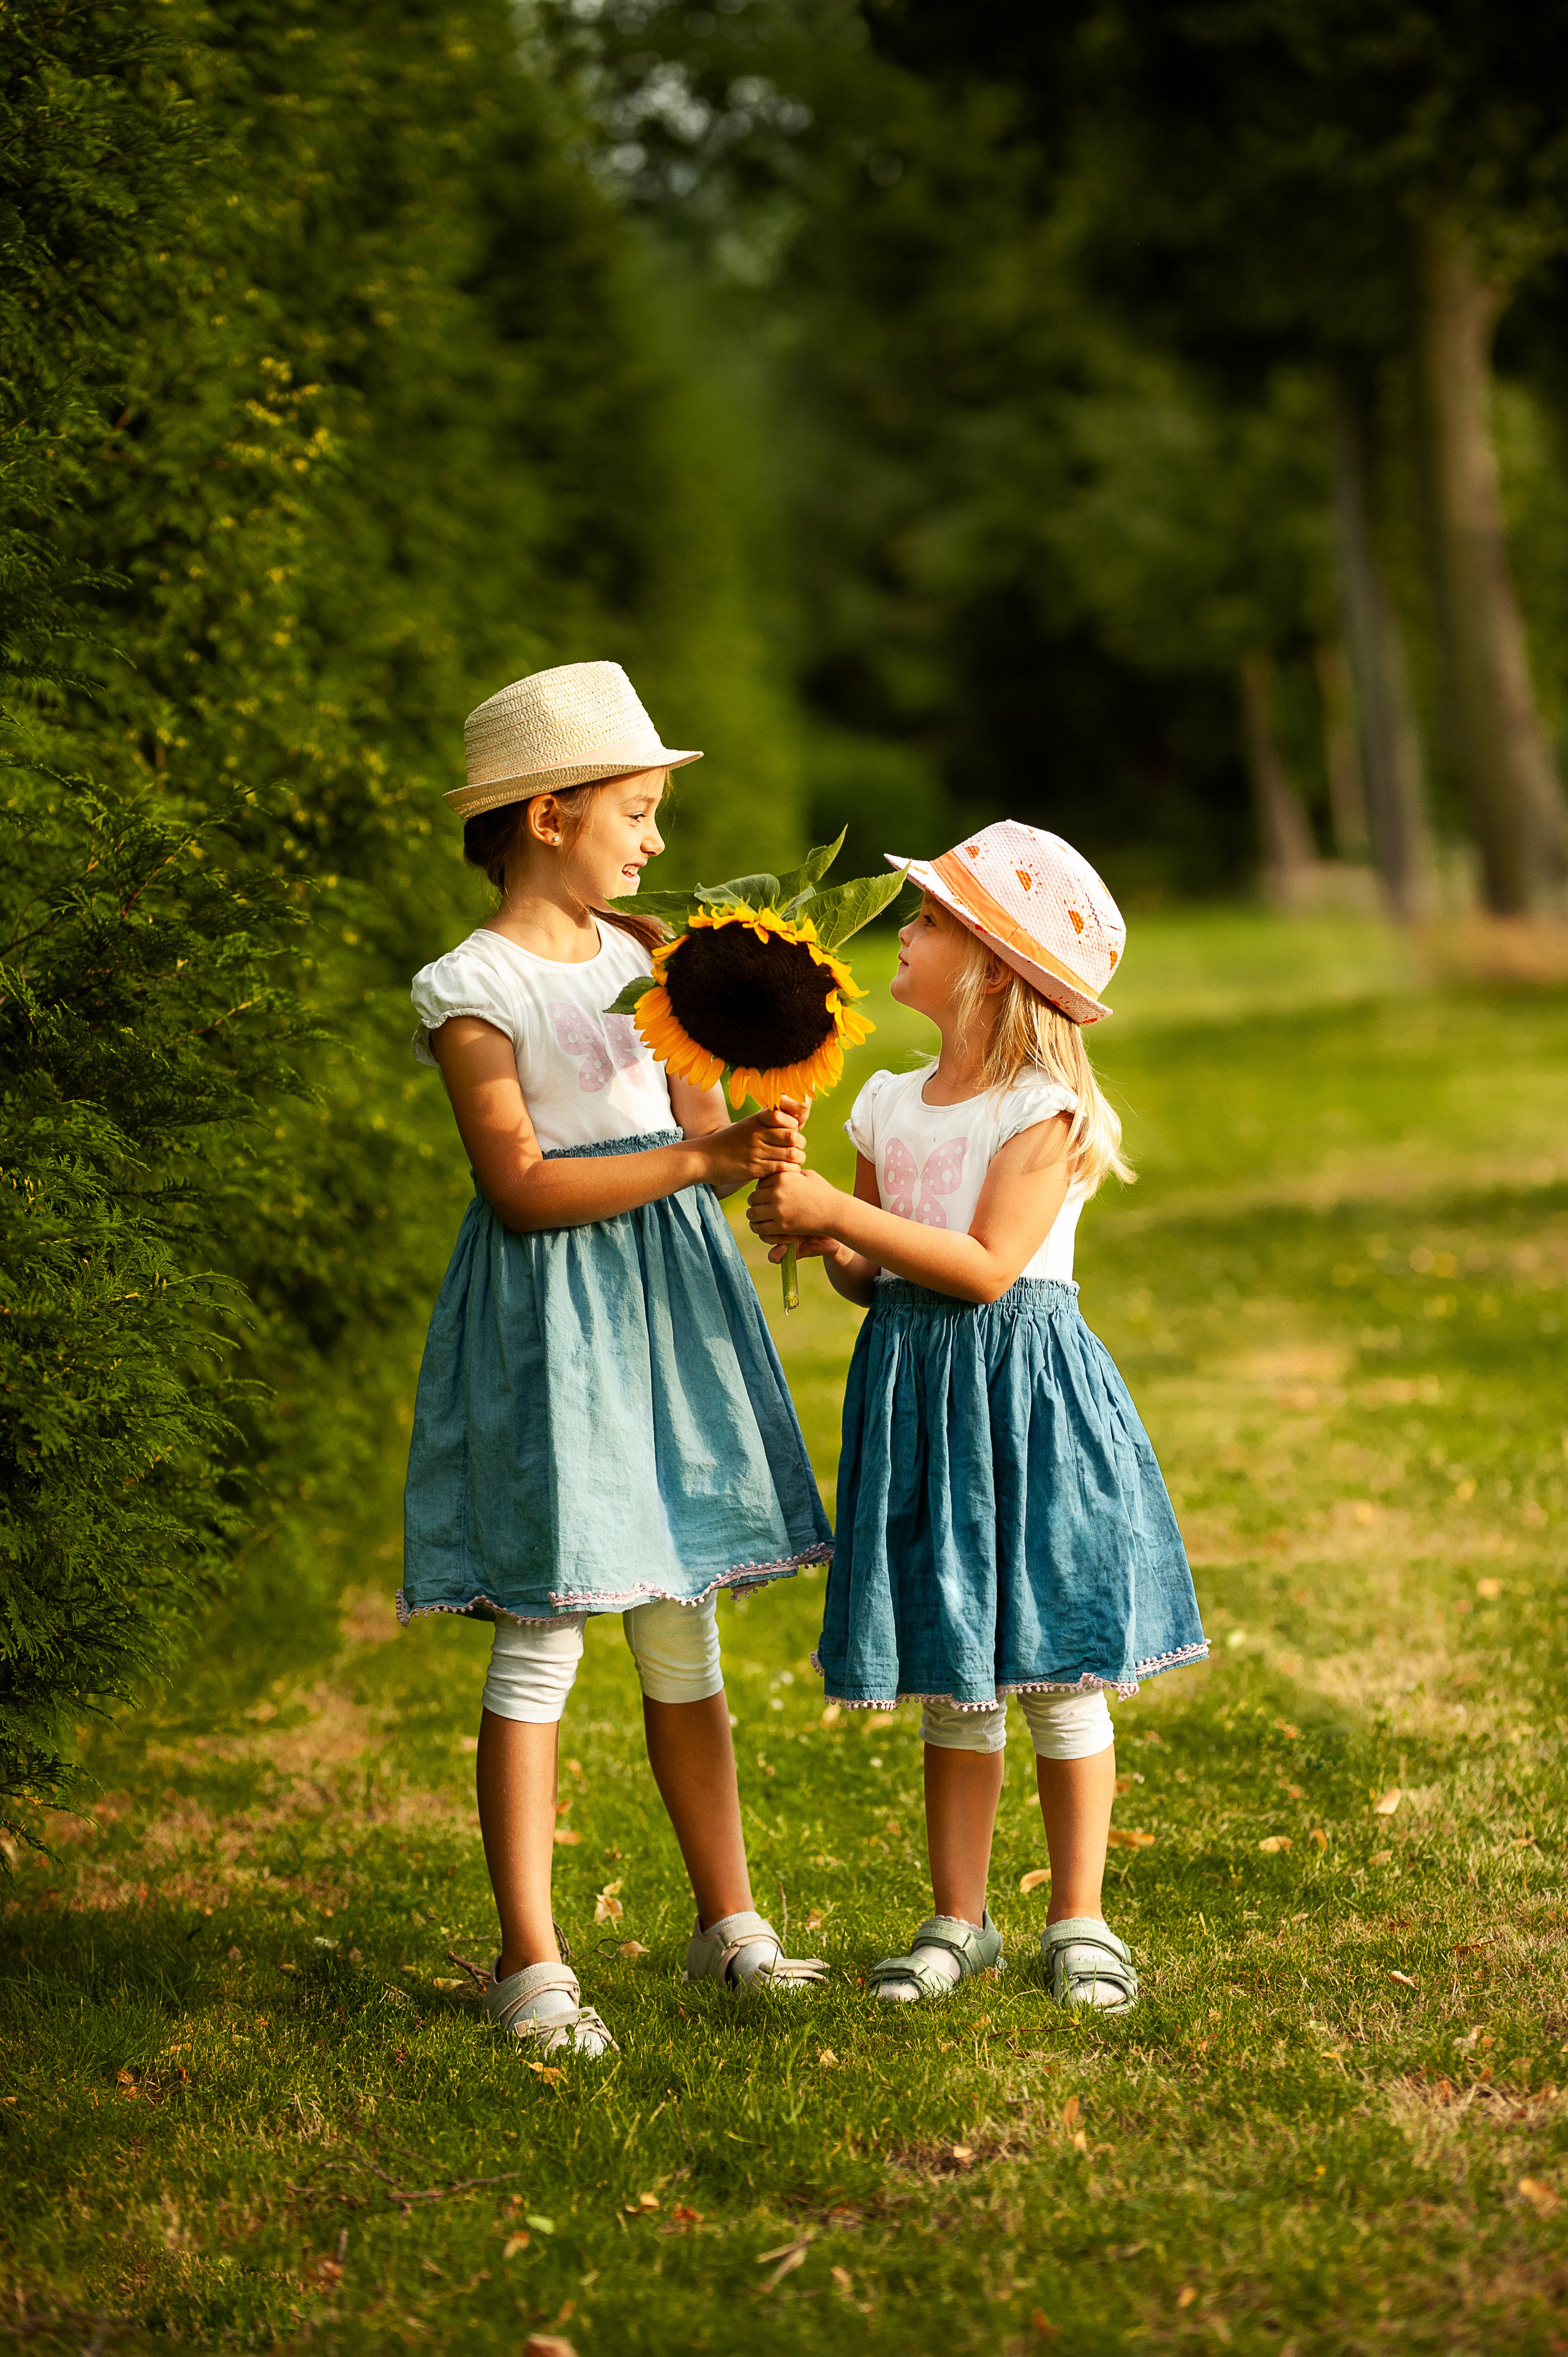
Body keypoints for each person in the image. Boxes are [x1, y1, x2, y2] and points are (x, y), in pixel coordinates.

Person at [402, 660, 831, 2056]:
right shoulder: (471, 989)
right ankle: (531, 1959)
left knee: (680, 1615)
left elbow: (702, 1122)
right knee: (544, 1632)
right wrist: (695, 1155)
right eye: (632, 811)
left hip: (667, 1310)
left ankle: (731, 1926)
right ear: (545, 814)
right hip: (556, 1329)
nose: (651, 841)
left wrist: (754, 1134)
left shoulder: (655, 961)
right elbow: (519, 1183)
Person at [748, 820, 1206, 2015]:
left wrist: (845, 1221)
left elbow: (987, 1267)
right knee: (957, 1666)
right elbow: (873, 1274)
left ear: (993, 964)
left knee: (1054, 1666)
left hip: (1022, 1402)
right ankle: (957, 1919)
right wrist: (814, 1228)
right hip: (917, 1397)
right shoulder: (887, 1101)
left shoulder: (1038, 1108)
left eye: (930, 919)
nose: (903, 931)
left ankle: (1079, 1917)